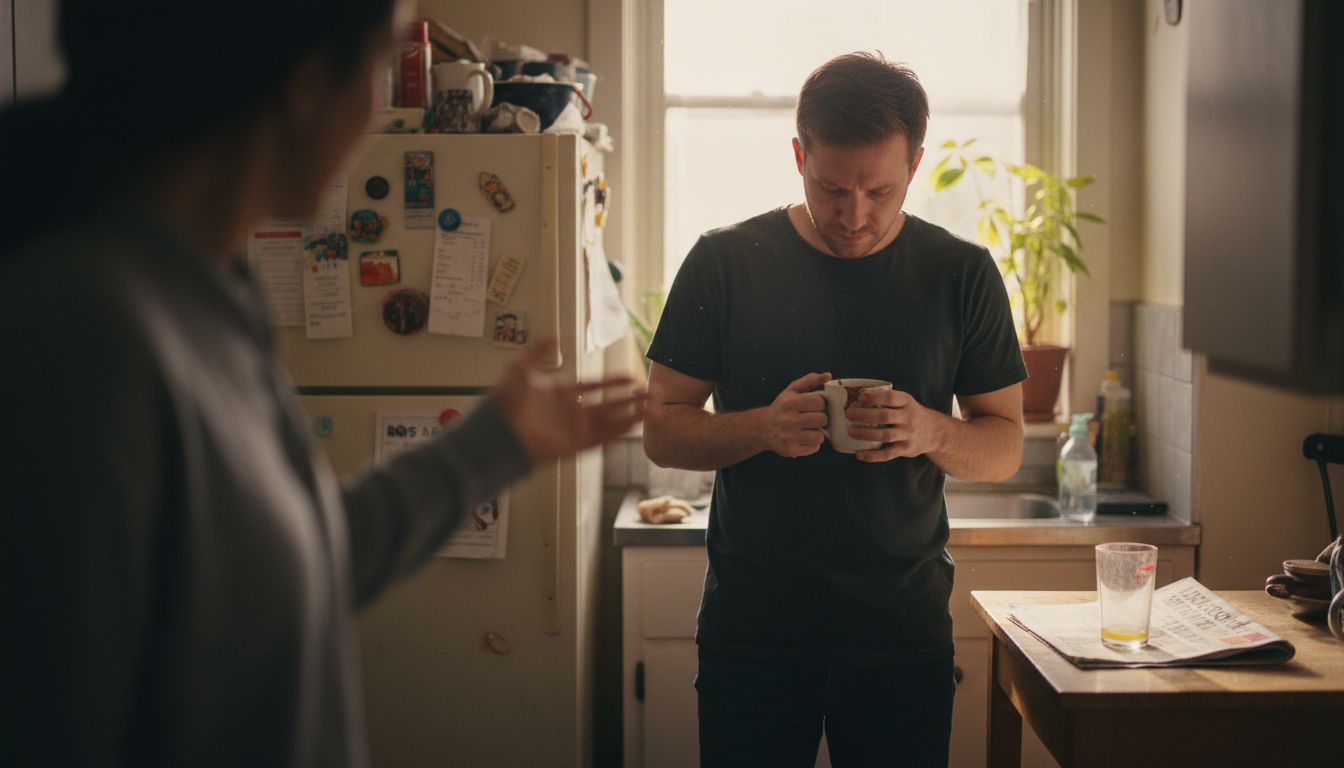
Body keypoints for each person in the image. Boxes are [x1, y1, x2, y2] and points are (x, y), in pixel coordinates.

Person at [0, 1, 644, 765]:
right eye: (379, 69)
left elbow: (296, 572)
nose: (380, 114)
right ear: (307, 88)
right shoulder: (81, 333)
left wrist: (494, 442)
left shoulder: (218, 298)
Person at [643, 52, 1027, 767]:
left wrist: (929, 429)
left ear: (915, 164)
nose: (854, 216)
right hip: (752, 636)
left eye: (880, 191)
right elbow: (663, 430)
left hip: (901, 638)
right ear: (799, 157)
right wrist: (762, 428)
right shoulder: (724, 262)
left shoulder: (961, 273)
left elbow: (1004, 446)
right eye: (830, 188)